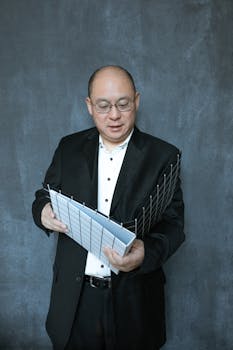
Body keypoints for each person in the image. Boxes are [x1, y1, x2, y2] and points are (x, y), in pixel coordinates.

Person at [32, 65, 185, 350]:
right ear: (89, 106)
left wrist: (145, 254)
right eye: (103, 106)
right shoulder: (68, 147)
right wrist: (42, 212)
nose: (114, 115)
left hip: (135, 304)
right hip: (75, 303)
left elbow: (174, 226)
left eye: (123, 104)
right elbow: (44, 194)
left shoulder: (164, 156)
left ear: (137, 101)